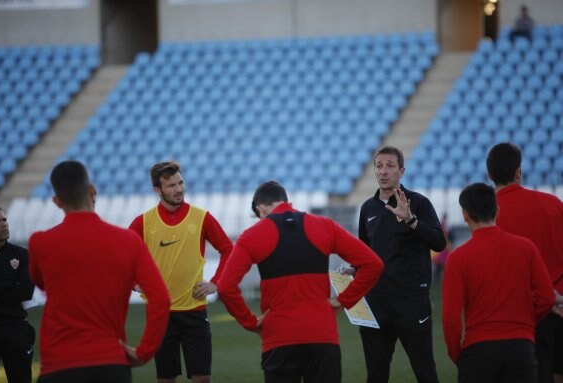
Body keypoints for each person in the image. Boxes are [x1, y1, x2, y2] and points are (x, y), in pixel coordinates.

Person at [217, 180, 384, 383]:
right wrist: (343, 301)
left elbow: (225, 287)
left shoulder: (251, 236)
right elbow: (373, 264)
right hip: (323, 335)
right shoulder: (324, 225)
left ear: (261, 208)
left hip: (279, 337)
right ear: (288, 202)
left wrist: (251, 323)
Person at [28, 160, 170, 383]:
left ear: (56, 202)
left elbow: (41, 283)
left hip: (58, 364)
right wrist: (144, 352)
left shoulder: (39, 243)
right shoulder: (128, 241)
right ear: (92, 191)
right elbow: (161, 299)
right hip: (111, 364)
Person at [129, 161, 233, 383]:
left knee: (202, 378)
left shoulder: (202, 217)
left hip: (194, 310)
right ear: (158, 190)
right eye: (171, 186)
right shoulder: (143, 222)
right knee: (165, 379)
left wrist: (216, 283)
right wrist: (134, 283)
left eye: (180, 183)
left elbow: (228, 250)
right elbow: (122, 258)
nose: (178, 189)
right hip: (160, 314)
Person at [442, 182, 555, 382]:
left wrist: (456, 354)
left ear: (465, 215)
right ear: (497, 210)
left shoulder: (458, 257)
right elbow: (546, 297)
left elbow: (450, 319)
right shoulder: (526, 248)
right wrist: (524, 325)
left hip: (478, 349)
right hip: (521, 348)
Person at [354, 145, 446, 383]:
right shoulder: (368, 208)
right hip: (376, 304)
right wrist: (353, 269)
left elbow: (439, 243)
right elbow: (365, 253)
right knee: (376, 376)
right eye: (379, 166)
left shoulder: (419, 203)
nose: (383, 171)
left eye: (390, 166)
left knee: (425, 372)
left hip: (411, 301)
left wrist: (411, 221)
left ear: (401, 171)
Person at [487, 142, 563, 383]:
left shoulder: (488, 216)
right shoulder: (553, 203)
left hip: (521, 314)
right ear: (518, 172)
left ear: (489, 175)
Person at [0, 205, 35, 383]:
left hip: (16, 329)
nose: (4, 224)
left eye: (4, 220)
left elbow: (25, 291)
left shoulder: (22, 254)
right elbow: (17, 289)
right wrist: (10, 284)